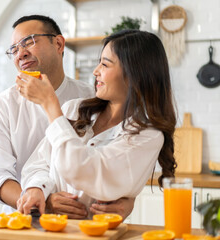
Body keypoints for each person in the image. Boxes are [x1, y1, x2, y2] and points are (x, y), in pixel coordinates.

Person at [0, 15, 135, 219]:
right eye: (15, 49)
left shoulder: (91, 98)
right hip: (22, 224)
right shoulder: (1, 106)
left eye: (29, 42)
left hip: (83, 224)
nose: (21, 53)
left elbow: (113, 163)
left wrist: (127, 201)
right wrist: (41, 202)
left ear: (59, 44)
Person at [16, 29, 177, 216]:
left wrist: (50, 104)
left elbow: (83, 169)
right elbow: (39, 164)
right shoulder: (74, 109)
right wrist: (37, 189)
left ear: (135, 74)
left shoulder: (147, 136)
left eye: (105, 65)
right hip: (46, 229)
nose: (95, 71)